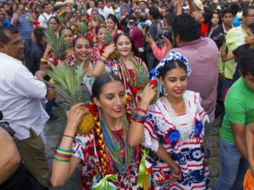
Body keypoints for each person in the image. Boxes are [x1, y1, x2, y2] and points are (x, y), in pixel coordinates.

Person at [50, 73, 156, 189]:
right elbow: (57, 180)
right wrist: (70, 128)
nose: (118, 102)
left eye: (121, 95)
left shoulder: (134, 120)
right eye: (110, 97)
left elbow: (141, 142)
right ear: (97, 101)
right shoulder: (89, 136)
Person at [128, 51, 210, 189]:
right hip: (170, 170)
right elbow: (151, 143)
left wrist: (205, 152)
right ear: (162, 80)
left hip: (196, 165)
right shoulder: (156, 109)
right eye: (172, 80)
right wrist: (174, 167)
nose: (179, 85)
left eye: (183, 79)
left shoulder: (193, 98)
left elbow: (200, 132)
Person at [0, 26, 55, 189]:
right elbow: (47, 94)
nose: (22, 45)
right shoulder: (13, 68)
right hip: (26, 133)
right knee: (40, 175)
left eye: (21, 41)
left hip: (14, 131)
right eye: (16, 43)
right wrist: (60, 85)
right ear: (2, 46)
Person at [215, 49, 254, 190]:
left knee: (243, 178)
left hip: (251, 136)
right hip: (231, 142)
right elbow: (238, 137)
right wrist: (251, 161)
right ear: (241, 74)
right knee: (228, 181)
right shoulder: (235, 98)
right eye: (253, 80)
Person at [170, 14, 219, 124]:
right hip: (209, 111)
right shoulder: (211, 43)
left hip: (188, 116)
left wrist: (170, 47)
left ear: (177, 37)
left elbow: (161, 77)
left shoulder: (175, 55)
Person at [93, 33, 150, 107]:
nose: (124, 46)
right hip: (121, 106)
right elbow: (96, 73)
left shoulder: (139, 62)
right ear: (115, 46)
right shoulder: (112, 64)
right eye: (120, 44)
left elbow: (147, 81)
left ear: (131, 45)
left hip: (142, 105)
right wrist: (106, 53)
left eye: (127, 43)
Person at [219, 5, 254, 98]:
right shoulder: (232, 33)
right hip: (231, 77)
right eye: (251, 16)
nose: (253, 18)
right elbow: (224, 57)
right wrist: (221, 70)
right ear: (244, 17)